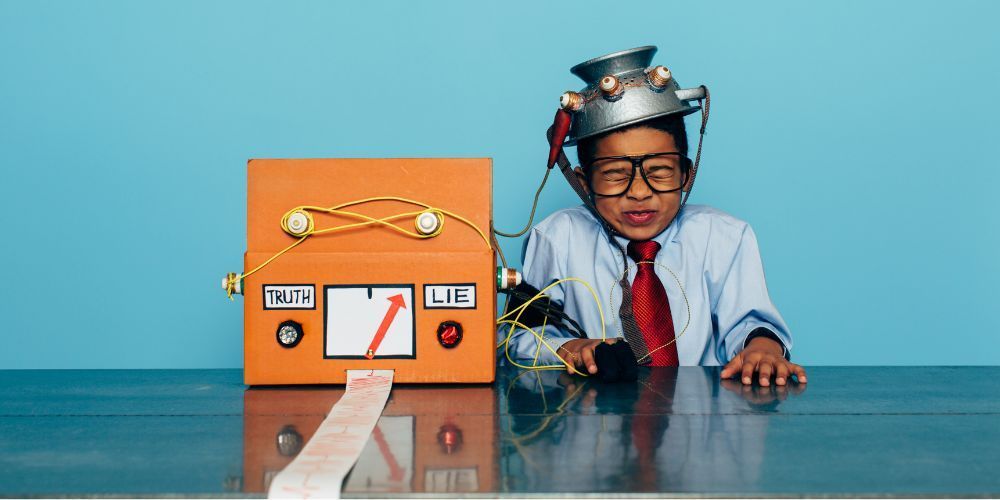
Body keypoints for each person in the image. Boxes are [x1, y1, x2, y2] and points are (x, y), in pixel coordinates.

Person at [500, 46, 807, 387]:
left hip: (700, 424)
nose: (639, 192)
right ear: (585, 183)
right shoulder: (558, 237)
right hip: (594, 424)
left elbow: (748, 323)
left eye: (659, 171)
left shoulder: (725, 236)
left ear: (686, 174)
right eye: (616, 174)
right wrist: (572, 348)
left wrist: (761, 350)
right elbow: (519, 338)